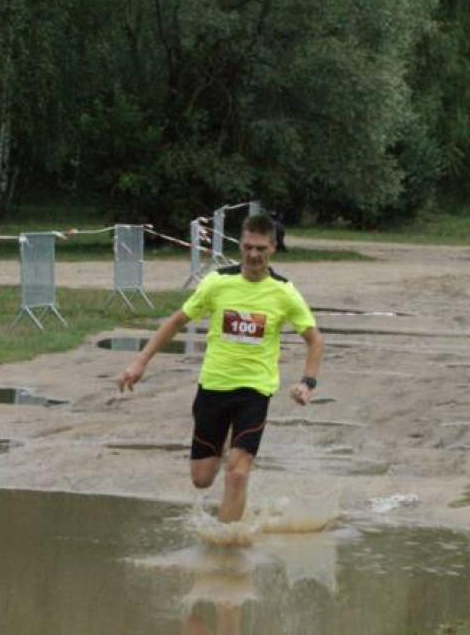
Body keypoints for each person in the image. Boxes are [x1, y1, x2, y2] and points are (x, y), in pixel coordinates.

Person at [118, 213, 323, 523]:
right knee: (201, 479)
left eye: (261, 249)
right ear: (240, 245)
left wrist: (308, 382)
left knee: (237, 473)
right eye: (248, 247)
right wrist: (139, 362)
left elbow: (314, 340)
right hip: (213, 387)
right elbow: (177, 321)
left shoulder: (284, 292)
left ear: (273, 249)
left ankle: (227, 544)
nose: (254, 255)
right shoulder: (217, 282)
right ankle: (231, 447)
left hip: (254, 390)